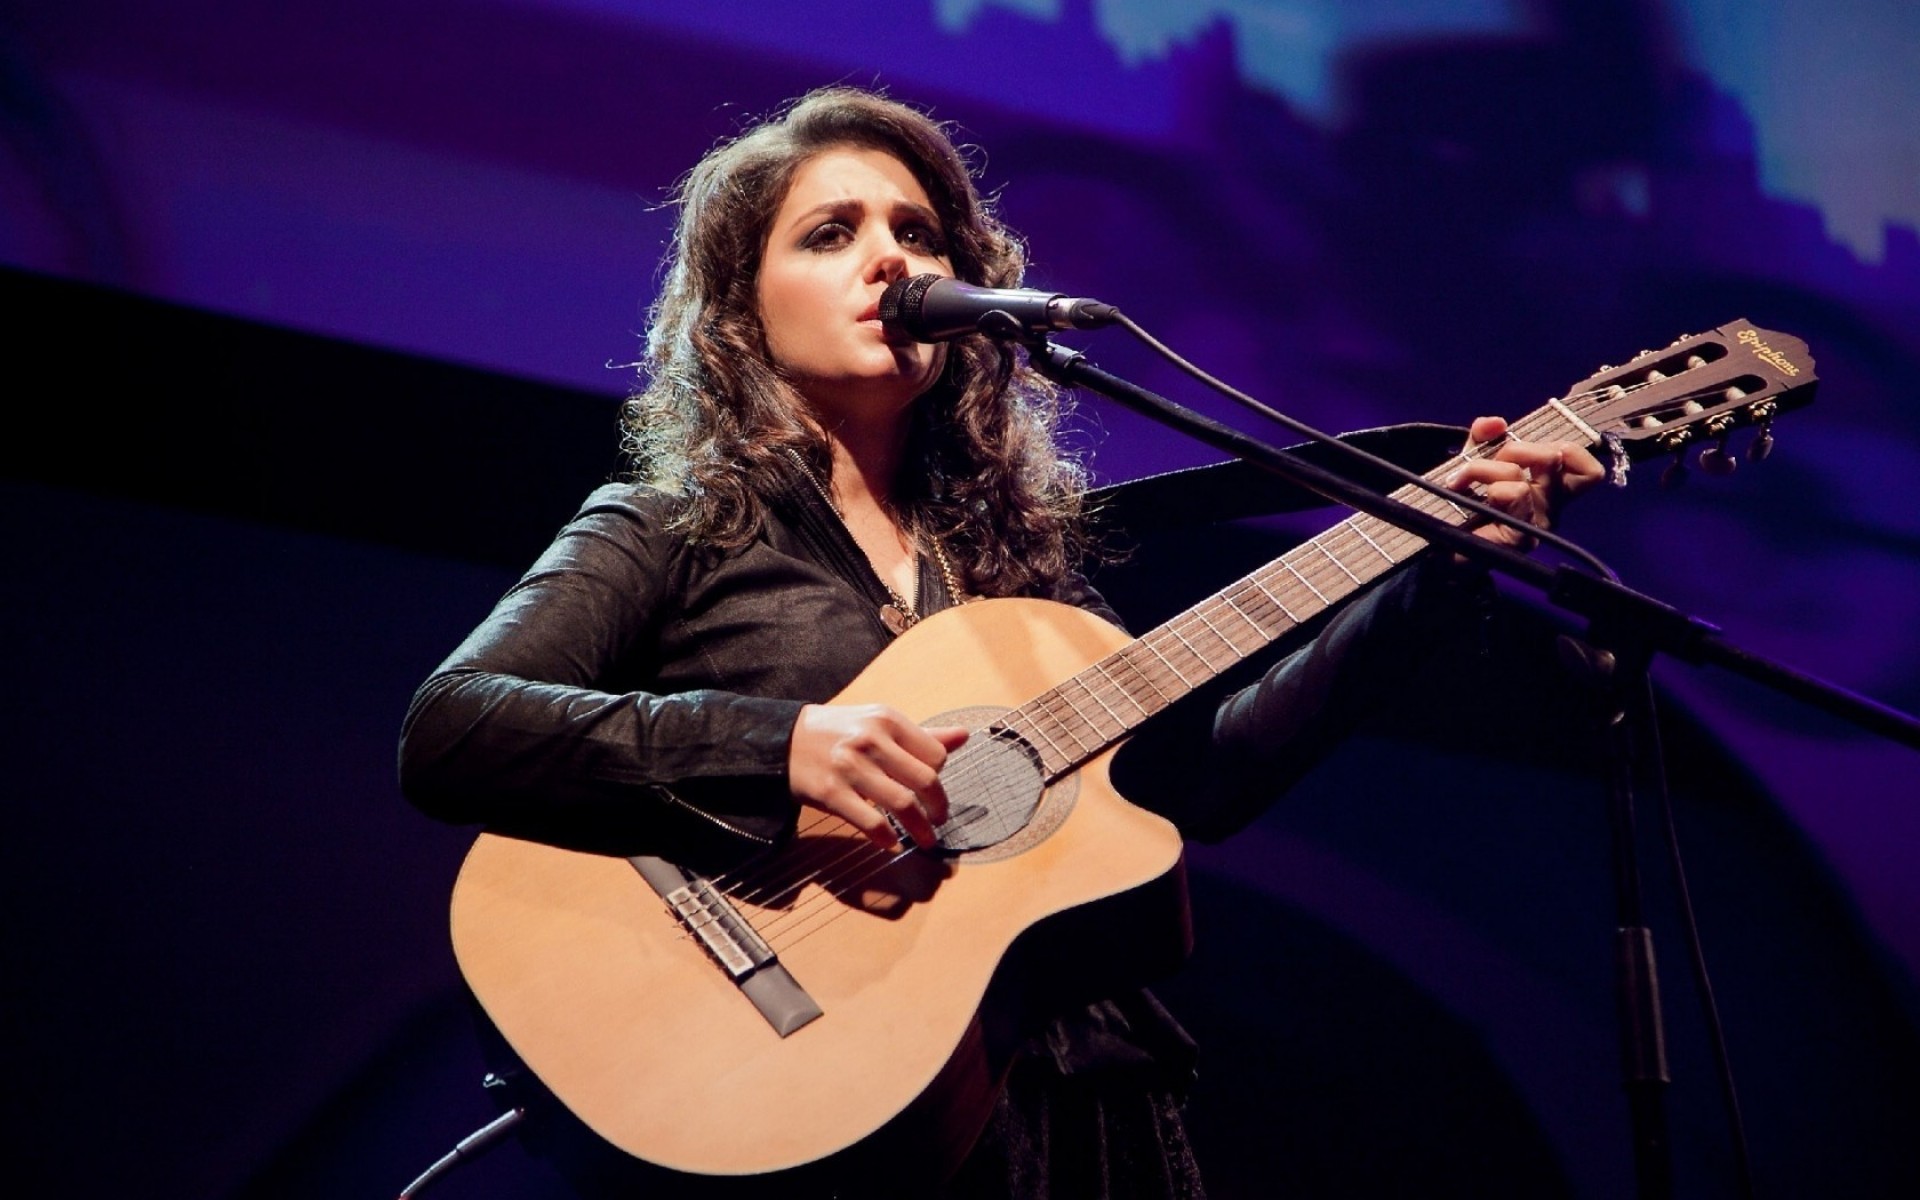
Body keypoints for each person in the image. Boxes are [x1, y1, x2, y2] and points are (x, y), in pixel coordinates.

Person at [399, 87, 1602, 1198]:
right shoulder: (672, 526)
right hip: (817, 1100)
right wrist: (780, 745)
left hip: (1076, 1107)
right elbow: (454, 727)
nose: (894, 260)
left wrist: (1435, 570)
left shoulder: (1014, 576)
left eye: (919, 233)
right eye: (831, 234)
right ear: (739, 314)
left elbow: (1201, 781)